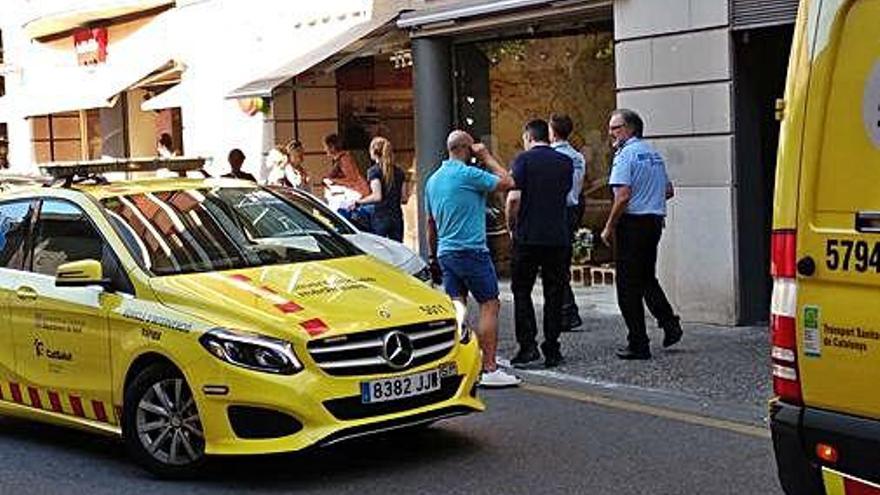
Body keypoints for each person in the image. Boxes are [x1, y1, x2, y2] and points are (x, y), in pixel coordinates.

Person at [425, 130, 520, 388]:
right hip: (472, 250)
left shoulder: (433, 180)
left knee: (458, 307)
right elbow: (508, 181)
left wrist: (433, 255)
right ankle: (489, 367)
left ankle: (462, 361)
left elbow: (430, 224)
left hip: (446, 251)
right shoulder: (469, 174)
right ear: (467, 149)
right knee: (490, 304)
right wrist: (486, 156)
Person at [601, 109, 682, 360]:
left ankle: (638, 342)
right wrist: (650, 199)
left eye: (615, 128)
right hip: (654, 222)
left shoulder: (625, 155)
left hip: (633, 224)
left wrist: (609, 225)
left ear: (630, 129)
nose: (611, 133)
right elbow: (668, 190)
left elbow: (623, 195)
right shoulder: (653, 154)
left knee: (627, 285)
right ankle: (669, 323)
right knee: (647, 277)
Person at [506, 119, 573, 369]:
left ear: (528, 136)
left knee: (522, 290)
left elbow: (514, 198)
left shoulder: (522, 160)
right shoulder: (565, 162)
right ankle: (552, 347)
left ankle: (528, 346)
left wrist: (511, 226)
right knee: (554, 292)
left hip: (528, 236)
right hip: (557, 236)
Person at [549, 114, 587, 332]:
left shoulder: (554, 156)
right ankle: (567, 310)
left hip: (558, 211)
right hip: (574, 209)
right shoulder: (578, 156)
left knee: (556, 265)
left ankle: (567, 311)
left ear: (553, 132)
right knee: (561, 262)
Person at [352, 137, 408, 242]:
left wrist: (359, 202)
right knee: (397, 251)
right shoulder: (400, 172)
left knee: (380, 251)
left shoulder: (374, 171)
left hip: (380, 217)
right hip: (397, 217)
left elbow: (377, 196)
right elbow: (404, 198)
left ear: (373, 152)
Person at [321, 133, 370, 198]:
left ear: (332, 147)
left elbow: (352, 179)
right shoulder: (339, 159)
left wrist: (333, 181)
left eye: (326, 147)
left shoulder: (344, 159)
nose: (325, 149)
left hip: (358, 194)